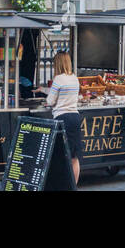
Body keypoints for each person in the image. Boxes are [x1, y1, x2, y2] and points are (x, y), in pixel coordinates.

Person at [43, 51, 83, 184]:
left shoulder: (58, 79)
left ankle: (61, 184)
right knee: (74, 156)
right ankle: (73, 185)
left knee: (60, 155)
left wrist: (46, 100)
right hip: (75, 117)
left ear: (58, 64)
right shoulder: (74, 78)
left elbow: (50, 101)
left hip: (62, 118)